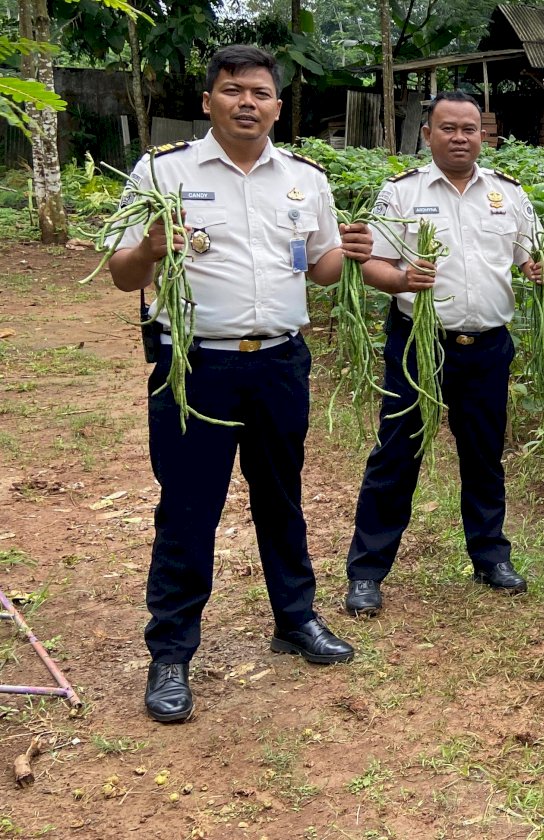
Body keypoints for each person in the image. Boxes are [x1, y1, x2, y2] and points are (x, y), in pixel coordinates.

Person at [105, 45, 373, 723]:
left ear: (278, 106)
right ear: (208, 101)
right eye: (232, 91)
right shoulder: (163, 172)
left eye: (260, 92)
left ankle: (295, 619)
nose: (247, 103)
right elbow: (122, 274)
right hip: (195, 365)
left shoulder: (305, 179)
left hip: (280, 361)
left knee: (282, 498)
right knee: (189, 507)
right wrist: (150, 248)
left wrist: (353, 251)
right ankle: (170, 652)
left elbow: (322, 270)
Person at [341, 91, 544, 618]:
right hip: (418, 342)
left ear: (484, 135)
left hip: (486, 346)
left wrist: (540, 269)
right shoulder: (400, 194)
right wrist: (401, 278)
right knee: (397, 452)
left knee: (483, 454)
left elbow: (533, 256)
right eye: (449, 128)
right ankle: (367, 571)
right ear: (427, 134)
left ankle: (489, 556)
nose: (460, 137)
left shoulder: (509, 195)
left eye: (470, 129)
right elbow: (373, 265)